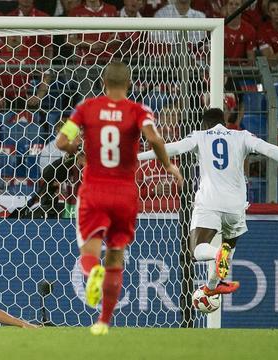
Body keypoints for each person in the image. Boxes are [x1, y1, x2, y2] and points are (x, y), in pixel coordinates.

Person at [138, 109, 278, 300]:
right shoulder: (241, 136)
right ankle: (211, 287)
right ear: (224, 122)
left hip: (210, 201)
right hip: (236, 205)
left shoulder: (200, 136)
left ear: (204, 124)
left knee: (198, 249)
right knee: (228, 250)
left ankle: (217, 254)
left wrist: (136, 157)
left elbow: (172, 148)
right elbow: (269, 149)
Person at [55, 61, 183, 335]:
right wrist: (169, 166)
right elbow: (156, 140)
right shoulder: (139, 110)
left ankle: (92, 275)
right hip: (125, 194)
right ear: (129, 84)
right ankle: (103, 322)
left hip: (94, 190)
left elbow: (62, 142)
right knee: (115, 257)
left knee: (89, 253)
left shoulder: (85, 108)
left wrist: (76, 145)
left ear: (103, 83)